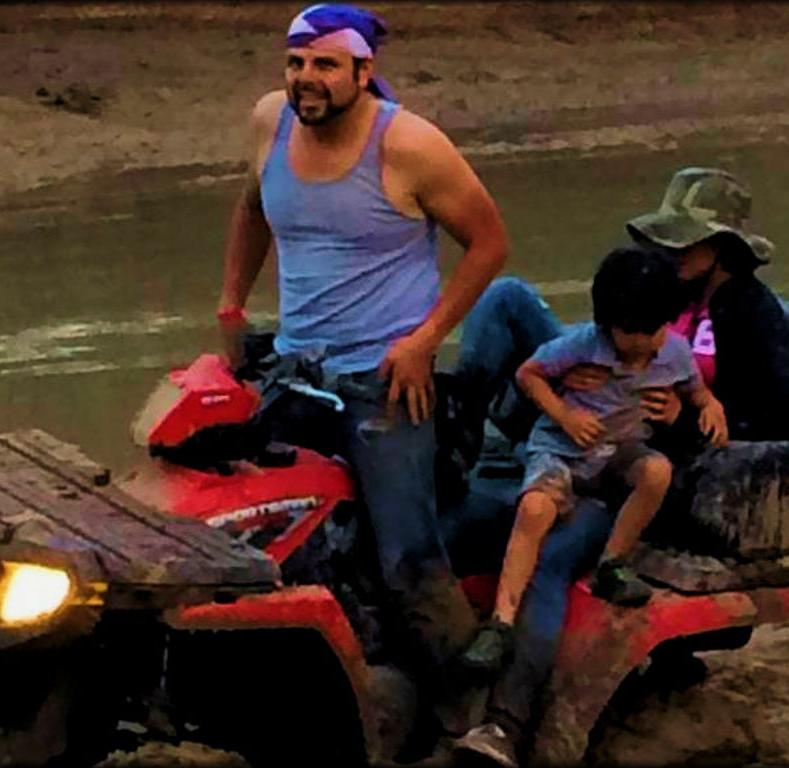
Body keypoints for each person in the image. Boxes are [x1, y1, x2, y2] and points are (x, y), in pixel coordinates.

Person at [214, 3, 508, 754]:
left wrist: (425, 340)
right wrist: (232, 301)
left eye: (324, 65)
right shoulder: (269, 123)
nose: (306, 79)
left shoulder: (408, 145)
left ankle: (478, 717)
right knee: (259, 527)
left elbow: (489, 242)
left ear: (363, 72)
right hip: (293, 366)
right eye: (296, 63)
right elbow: (251, 209)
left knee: (406, 556)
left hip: (387, 379)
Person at [452, 167, 789, 767]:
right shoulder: (660, 294)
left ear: (720, 248)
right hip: (603, 413)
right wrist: (572, 384)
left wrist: (680, 416)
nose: (668, 253)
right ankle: (467, 421)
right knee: (507, 295)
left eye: (683, 243)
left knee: (552, 558)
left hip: (648, 459)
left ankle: (505, 725)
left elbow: (784, 418)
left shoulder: (749, 311)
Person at [458, 246, 727, 675]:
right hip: (564, 449)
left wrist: (709, 405)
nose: (640, 347)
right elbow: (529, 373)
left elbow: (695, 386)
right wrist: (565, 413)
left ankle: (612, 563)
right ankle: (501, 621)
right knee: (534, 509)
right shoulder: (581, 345)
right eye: (628, 335)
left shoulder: (673, 351)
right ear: (606, 324)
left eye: (650, 333)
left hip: (620, 449)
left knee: (656, 471)